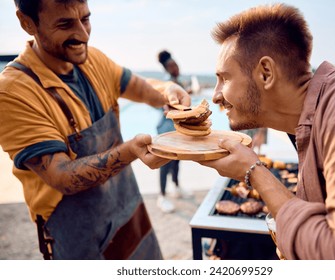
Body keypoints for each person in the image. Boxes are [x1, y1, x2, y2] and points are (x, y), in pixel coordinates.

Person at [0, 0, 191, 260]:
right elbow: (61, 176)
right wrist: (132, 150)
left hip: (130, 213)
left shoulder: (94, 60)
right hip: (78, 235)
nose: (83, 34)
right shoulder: (12, 92)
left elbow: (141, 87)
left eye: (85, 19)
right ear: (27, 22)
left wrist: (167, 91)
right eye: (65, 24)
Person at [197, 3, 335, 259]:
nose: (216, 94)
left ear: (266, 73)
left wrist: (254, 172)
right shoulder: (314, 120)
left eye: (225, 78)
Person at [155, 50, 193, 213]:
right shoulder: (166, 84)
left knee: (177, 160)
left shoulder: (177, 81)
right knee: (164, 163)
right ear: (166, 68)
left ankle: (176, 187)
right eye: (171, 65)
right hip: (167, 130)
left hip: (178, 129)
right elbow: (160, 103)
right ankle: (162, 197)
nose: (176, 67)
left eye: (176, 64)